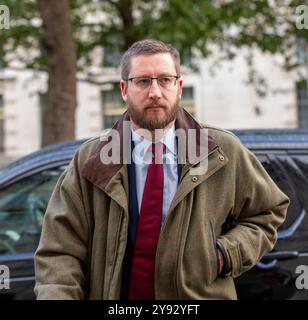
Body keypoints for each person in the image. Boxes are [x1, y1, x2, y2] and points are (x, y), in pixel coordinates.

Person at [34, 39, 289, 300]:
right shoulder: (91, 160)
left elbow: (268, 211)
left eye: (165, 80)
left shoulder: (222, 151)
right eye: (143, 81)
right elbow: (60, 251)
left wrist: (225, 254)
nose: (155, 92)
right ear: (124, 89)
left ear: (179, 87)